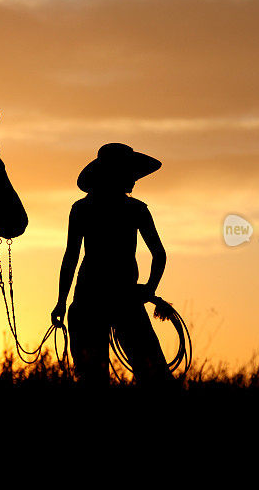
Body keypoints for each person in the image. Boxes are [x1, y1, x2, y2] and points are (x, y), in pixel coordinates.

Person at [51, 142, 171, 385]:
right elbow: (159, 254)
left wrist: (62, 303)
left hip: (88, 299)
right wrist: (149, 289)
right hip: (125, 299)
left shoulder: (82, 209)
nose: (134, 181)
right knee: (155, 376)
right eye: (131, 174)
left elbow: (71, 258)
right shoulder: (136, 209)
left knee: (92, 379)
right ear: (117, 175)